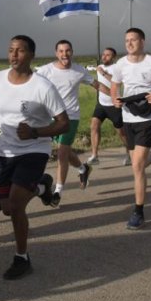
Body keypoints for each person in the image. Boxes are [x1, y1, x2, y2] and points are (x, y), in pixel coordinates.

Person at [0, 35, 68, 279]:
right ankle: (41, 186)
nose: (14, 55)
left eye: (21, 51)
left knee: (16, 205)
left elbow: (63, 123)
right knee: (7, 209)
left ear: (31, 55)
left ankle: (21, 257)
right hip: (5, 150)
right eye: (11, 50)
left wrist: (35, 132)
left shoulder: (42, 86)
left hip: (34, 150)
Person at [109, 28, 151, 230]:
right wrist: (115, 99)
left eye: (133, 40)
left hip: (149, 117)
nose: (129, 43)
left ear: (143, 42)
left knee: (137, 165)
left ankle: (138, 211)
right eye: (126, 40)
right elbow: (114, 85)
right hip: (129, 117)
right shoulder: (120, 64)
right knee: (138, 162)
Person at [36, 40, 109, 206]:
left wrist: (114, 96)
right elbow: (33, 86)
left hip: (71, 117)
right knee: (66, 152)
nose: (65, 54)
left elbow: (96, 84)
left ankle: (57, 192)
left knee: (62, 153)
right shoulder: (45, 70)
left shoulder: (79, 70)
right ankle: (83, 169)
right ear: (56, 53)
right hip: (50, 117)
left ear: (72, 52)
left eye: (67, 50)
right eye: (61, 51)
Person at [88, 47, 129, 166]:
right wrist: (100, 71)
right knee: (94, 126)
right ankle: (95, 155)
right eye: (103, 54)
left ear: (113, 57)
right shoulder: (100, 67)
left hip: (114, 105)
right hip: (101, 104)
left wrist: (103, 73)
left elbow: (117, 82)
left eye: (108, 55)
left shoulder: (116, 68)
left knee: (121, 132)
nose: (104, 57)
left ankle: (129, 153)